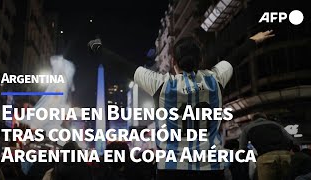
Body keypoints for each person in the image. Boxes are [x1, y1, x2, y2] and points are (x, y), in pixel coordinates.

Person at [88, 30, 274, 179]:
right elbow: (236, 56)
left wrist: (98, 50)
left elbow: (124, 66)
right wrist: (255, 40)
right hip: (210, 168)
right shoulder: (215, 79)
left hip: (171, 169)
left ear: (173, 62)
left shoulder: (160, 84)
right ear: (200, 60)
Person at [239, 113, 295, 180]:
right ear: (266, 118)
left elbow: (242, 148)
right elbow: (291, 140)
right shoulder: (276, 124)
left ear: (252, 120)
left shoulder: (247, 128)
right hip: (284, 156)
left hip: (265, 157)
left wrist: (253, 158)